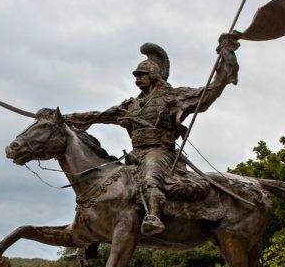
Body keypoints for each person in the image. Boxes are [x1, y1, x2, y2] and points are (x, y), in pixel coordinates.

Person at [67, 34, 240, 236]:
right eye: (136, 76)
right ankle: (94, 235)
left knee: (150, 178)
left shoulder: (171, 97)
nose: (137, 80)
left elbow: (208, 93)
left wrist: (226, 57)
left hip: (160, 153)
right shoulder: (130, 105)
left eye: (141, 75)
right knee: (111, 190)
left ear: (153, 75)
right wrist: (65, 119)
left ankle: (154, 217)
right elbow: (99, 116)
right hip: (134, 155)